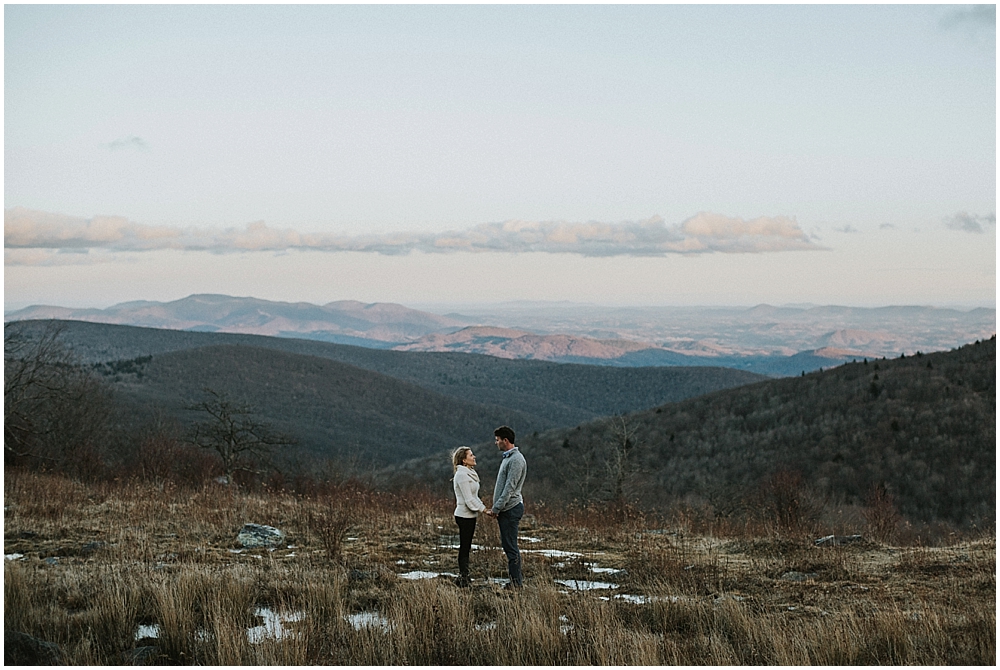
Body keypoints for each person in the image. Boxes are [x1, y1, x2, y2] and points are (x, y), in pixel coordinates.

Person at [484, 425, 526, 589]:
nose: (496, 443)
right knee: (508, 545)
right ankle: (515, 581)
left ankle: (516, 583)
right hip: (506, 509)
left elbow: (509, 487)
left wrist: (496, 508)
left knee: (510, 547)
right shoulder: (508, 458)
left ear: (505, 440)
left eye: (497, 440)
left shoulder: (516, 460)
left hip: (510, 508)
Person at [451, 446, 486, 587]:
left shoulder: (470, 473)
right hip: (464, 516)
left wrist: (483, 508)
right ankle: (464, 577)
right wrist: (485, 510)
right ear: (464, 460)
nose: (474, 457)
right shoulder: (461, 475)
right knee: (464, 547)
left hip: (470, 516)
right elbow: (468, 500)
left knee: (467, 546)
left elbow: (474, 497)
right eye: (471, 455)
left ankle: (464, 576)